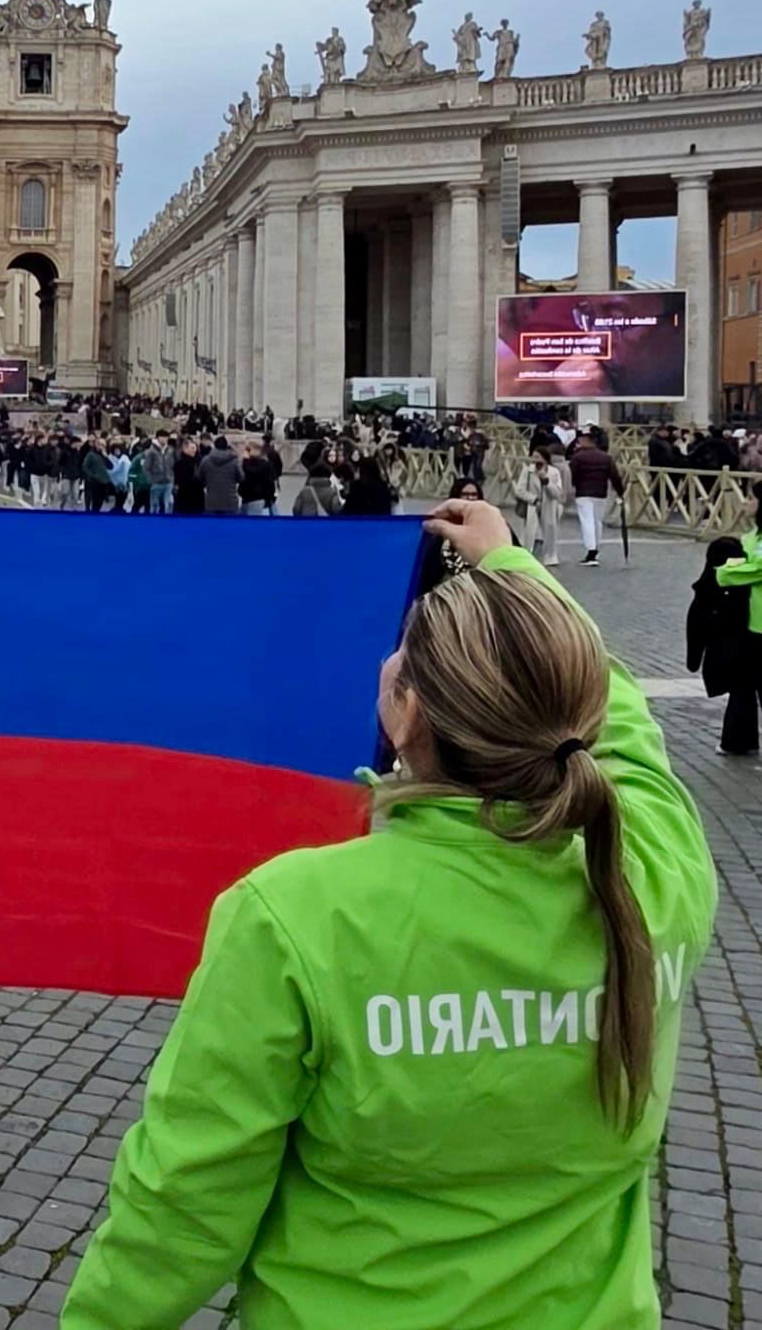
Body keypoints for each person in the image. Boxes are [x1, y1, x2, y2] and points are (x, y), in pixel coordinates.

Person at [63, 496, 716, 1330]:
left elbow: (188, 1194)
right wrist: (510, 566)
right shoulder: (656, 871)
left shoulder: (294, 915)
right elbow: (623, 734)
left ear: (406, 713)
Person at [690, 534, 755, 754]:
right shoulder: (748, 573)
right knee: (745, 689)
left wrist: (694, 659)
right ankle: (746, 740)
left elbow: (696, 621)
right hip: (751, 634)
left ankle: (734, 742)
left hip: (733, 645)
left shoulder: (710, 582)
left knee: (740, 690)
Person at [569, 428, 624, 567]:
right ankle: (596, 548)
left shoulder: (577, 457)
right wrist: (620, 491)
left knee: (587, 521)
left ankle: (591, 551)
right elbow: (615, 476)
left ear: (585, 441)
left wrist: (574, 486)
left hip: (583, 492)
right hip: (600, 492)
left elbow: (573, 475)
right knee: (597, 521)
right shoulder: (606, 457)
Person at [514, 446, 565, 566]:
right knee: (530, 532)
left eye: (538, 457)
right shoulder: (527, 471)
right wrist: (533, 499)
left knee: (550, 531)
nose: (535, 460)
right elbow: (519, 490)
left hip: (550, 506)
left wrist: (546, 481)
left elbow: (557, 492)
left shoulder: (554, 472)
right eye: (533, 457)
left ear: (545, 459)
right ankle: (529, 555)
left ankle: (550, 556)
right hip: (533, 506)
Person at [198, 437, 242, 516]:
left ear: (214, 445)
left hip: (211, 501)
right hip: (230, 501)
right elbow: (241, 477)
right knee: (230, 527)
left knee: (211, 527)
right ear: (226, 446)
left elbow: (200, 477)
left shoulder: (206, 460)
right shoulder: (234, 461)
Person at [238, 440, 276, 516]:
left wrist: (245, 460)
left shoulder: (247, 465)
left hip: (251, 497)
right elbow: (271, 483)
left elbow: (249, 475)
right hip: (260, 498)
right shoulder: (267, 465)